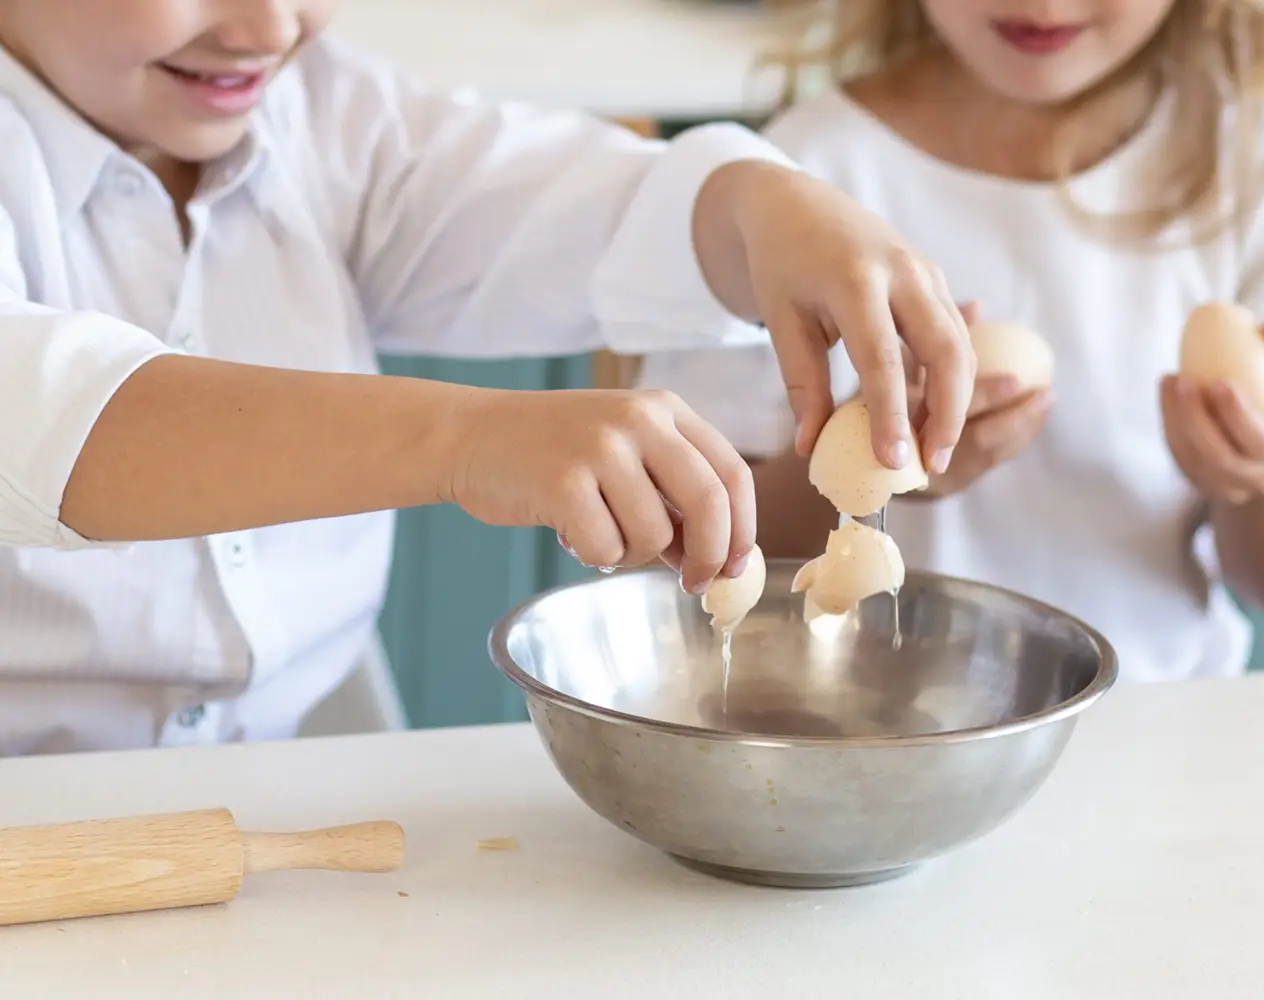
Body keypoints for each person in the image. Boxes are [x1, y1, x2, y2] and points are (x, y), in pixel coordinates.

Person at [0, 0, 979, 756]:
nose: (268, 29)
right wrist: (461, 440)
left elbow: (564, 206)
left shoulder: (326, 118)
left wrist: (759, 209)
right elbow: (41, 410)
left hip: (273, 788)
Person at [638, 0, 1264, 683]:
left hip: (1155, 720)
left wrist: (1260, 476)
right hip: (865, 721)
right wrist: (875, 459)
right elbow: (696, 549)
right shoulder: (798, 185)